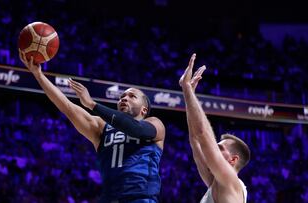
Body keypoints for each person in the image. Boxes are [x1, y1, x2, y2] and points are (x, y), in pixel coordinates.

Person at [19, 50, 166, 203]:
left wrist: (92, 104)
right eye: (122, 96)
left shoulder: (155, 123)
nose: (124, 98)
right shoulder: (102, 127)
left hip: (140, 198)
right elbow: (67, 107)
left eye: (131, 96)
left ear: (144, 109)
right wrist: (39, 75)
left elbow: (136, 129)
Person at [179, 53, 251, 203]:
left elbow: (202, 134)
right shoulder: (216, 183)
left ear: (233, 160)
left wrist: (186, 88)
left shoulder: (229, 180)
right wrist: (189, 95)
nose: (213, 148)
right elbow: (195, 140)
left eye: (220, 148)